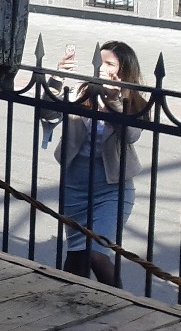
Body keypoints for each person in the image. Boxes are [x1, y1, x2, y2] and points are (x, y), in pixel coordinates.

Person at [40, 40, 146, 287]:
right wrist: (57, 77)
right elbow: (47, 114)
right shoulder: (82, 91)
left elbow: (130, 135)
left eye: (109, 63)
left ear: (123, 70)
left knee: (97, 255)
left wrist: (114, 101)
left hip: (112, 190)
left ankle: (122, 306)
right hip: (75, 187)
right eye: (99, 61)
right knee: (76, 258)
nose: (101, 67)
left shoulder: (135, 101)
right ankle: (71, 306)